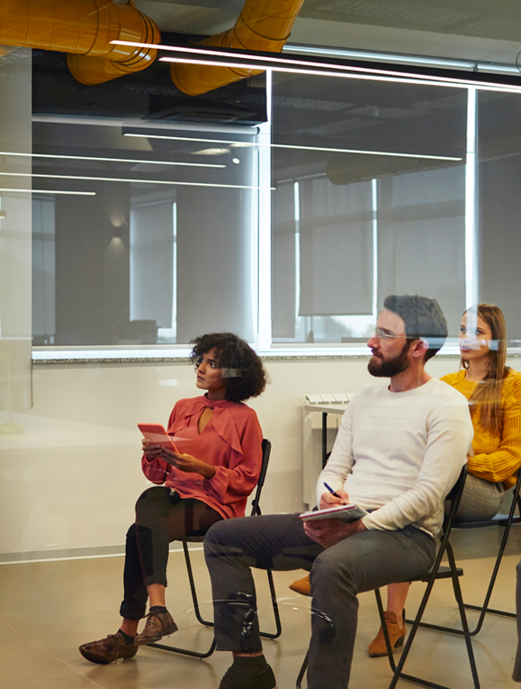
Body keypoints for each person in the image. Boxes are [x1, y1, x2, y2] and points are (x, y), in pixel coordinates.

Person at [202, 295, 473, 689]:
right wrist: (329, 498)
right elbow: (333, 469)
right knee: (223, 538)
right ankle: (249, 666)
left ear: (417, 347)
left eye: (384, 333)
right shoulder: (364, 400)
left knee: (331, 568)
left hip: (408, 537)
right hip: (342, 524)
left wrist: (360, 527)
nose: (371, 341)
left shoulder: (448, 405)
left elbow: (429, 494)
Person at [78, 332, 267, 664]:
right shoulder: (183, 407)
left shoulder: (244, 418)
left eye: (213, 363)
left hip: (216, 506)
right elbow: (157, 476)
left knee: (139, 532)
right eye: (201, 361)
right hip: (176, 497)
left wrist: (207, 470)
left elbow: (247, 480)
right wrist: (155, 454)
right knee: (150, 499)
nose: (201, 368)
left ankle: (127, 633)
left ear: (234, 373)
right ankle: (157, 611)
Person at [365, 303, 521, 655]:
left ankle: (336, 559)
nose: (466, 338)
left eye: (477, 332)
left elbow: (511, 458)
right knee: (407, 491)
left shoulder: (514, 386)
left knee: (415, 488)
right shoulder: (445, 384)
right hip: (434, 486)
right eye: (463, 329)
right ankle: (392, 616)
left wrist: (463, 462)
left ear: (497, 340)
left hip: (483, 490)